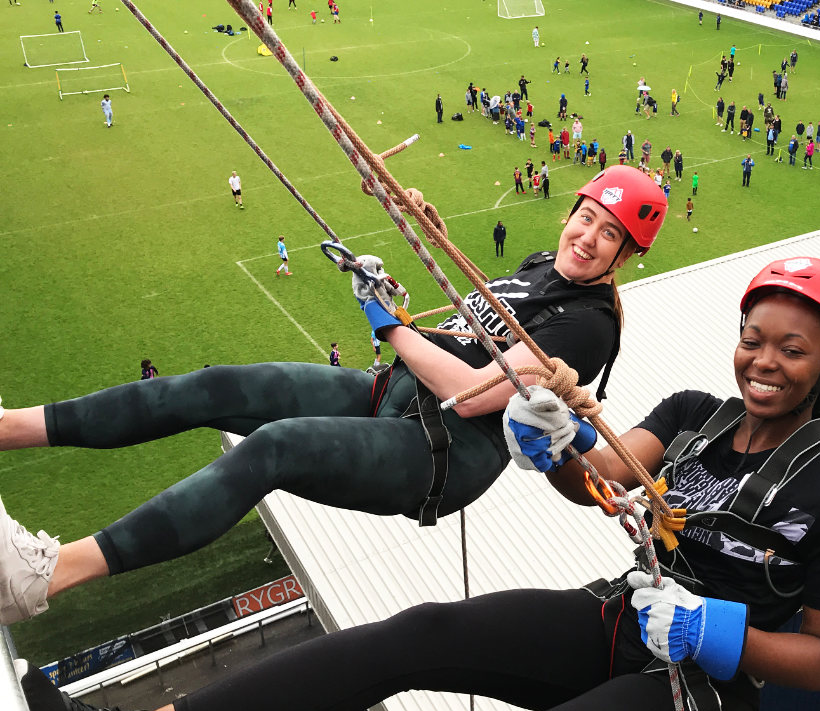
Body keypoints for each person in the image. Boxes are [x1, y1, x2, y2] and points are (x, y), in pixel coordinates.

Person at [20, 257, 820, 711]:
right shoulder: (696, 416)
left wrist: (712, 633)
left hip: (699, 690)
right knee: (418, 635)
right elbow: (606, 485)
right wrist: (554, 451)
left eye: (792, 350)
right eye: (753, 338)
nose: (763, 361)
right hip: (621, 616)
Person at [0, 167, 670, 630]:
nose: (586, 237)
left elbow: (471, 395)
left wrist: (389, 325)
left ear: (627, 252)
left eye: (608, 233)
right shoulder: (539, 266)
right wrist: (412, 276)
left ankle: (49, 576)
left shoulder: (589, 322)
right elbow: (469, 335)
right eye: (585, 218)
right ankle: (10, 428)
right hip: (401, 395)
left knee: (275, 448)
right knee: (218, 385)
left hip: (441, 452)